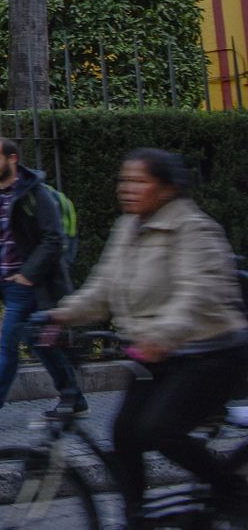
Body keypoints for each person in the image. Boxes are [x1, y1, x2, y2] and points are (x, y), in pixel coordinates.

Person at [45, 149, 248, 526]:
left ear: (167, 188)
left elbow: (196, 294)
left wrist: (160, 336)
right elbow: (103, 287)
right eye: (124, 180)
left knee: (160, 430)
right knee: (123, 434)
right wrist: (60, 313)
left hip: (211, 352)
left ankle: (234, 490)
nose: (127, 189)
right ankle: (135, 515)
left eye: (139, 181)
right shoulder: (127, 227)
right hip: (158, 355)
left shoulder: (194, 228)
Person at [0, 137, 84, 429]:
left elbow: (54, 239)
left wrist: (28, 273)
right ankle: (73, 397)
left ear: (12, 159)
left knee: (9, 345)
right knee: (38, 343)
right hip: (8, 281)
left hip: (29, 282)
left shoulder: (34, 193)